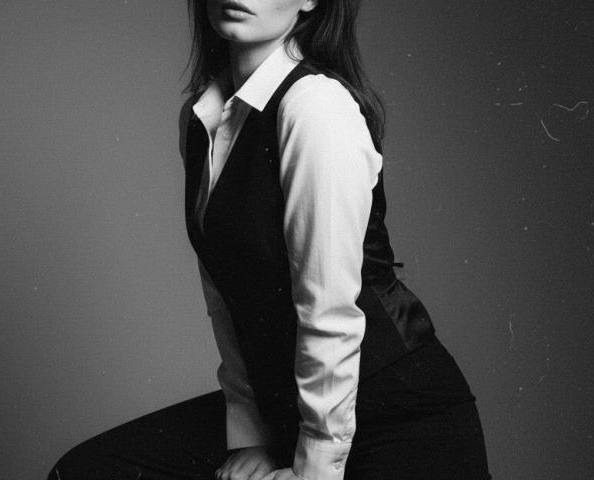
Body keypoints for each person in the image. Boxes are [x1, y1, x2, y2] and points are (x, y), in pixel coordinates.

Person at [48, 1, 492, 479]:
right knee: (85, 472)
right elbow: (225, 297)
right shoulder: (201, 119)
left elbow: (328, 309)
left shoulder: (315, 106)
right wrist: (250, 434)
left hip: (396, 417)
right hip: (291, 411)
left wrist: (314, 468)